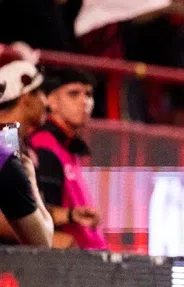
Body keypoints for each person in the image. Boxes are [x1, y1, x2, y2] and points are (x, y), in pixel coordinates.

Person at [30, 69, 107, 250]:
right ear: (51, 101)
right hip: (69, 262)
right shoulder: (45, 146)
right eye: (73, 94)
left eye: (88, 94)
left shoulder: (65, 147)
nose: (84, 101)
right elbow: (40, 221)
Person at [0, 60, 53, 246]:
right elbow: (43, 241)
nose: (47, 102)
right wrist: (30, 179)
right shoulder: (5, 152)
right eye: (41, 93)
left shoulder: (9, 141)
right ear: (26, 97)